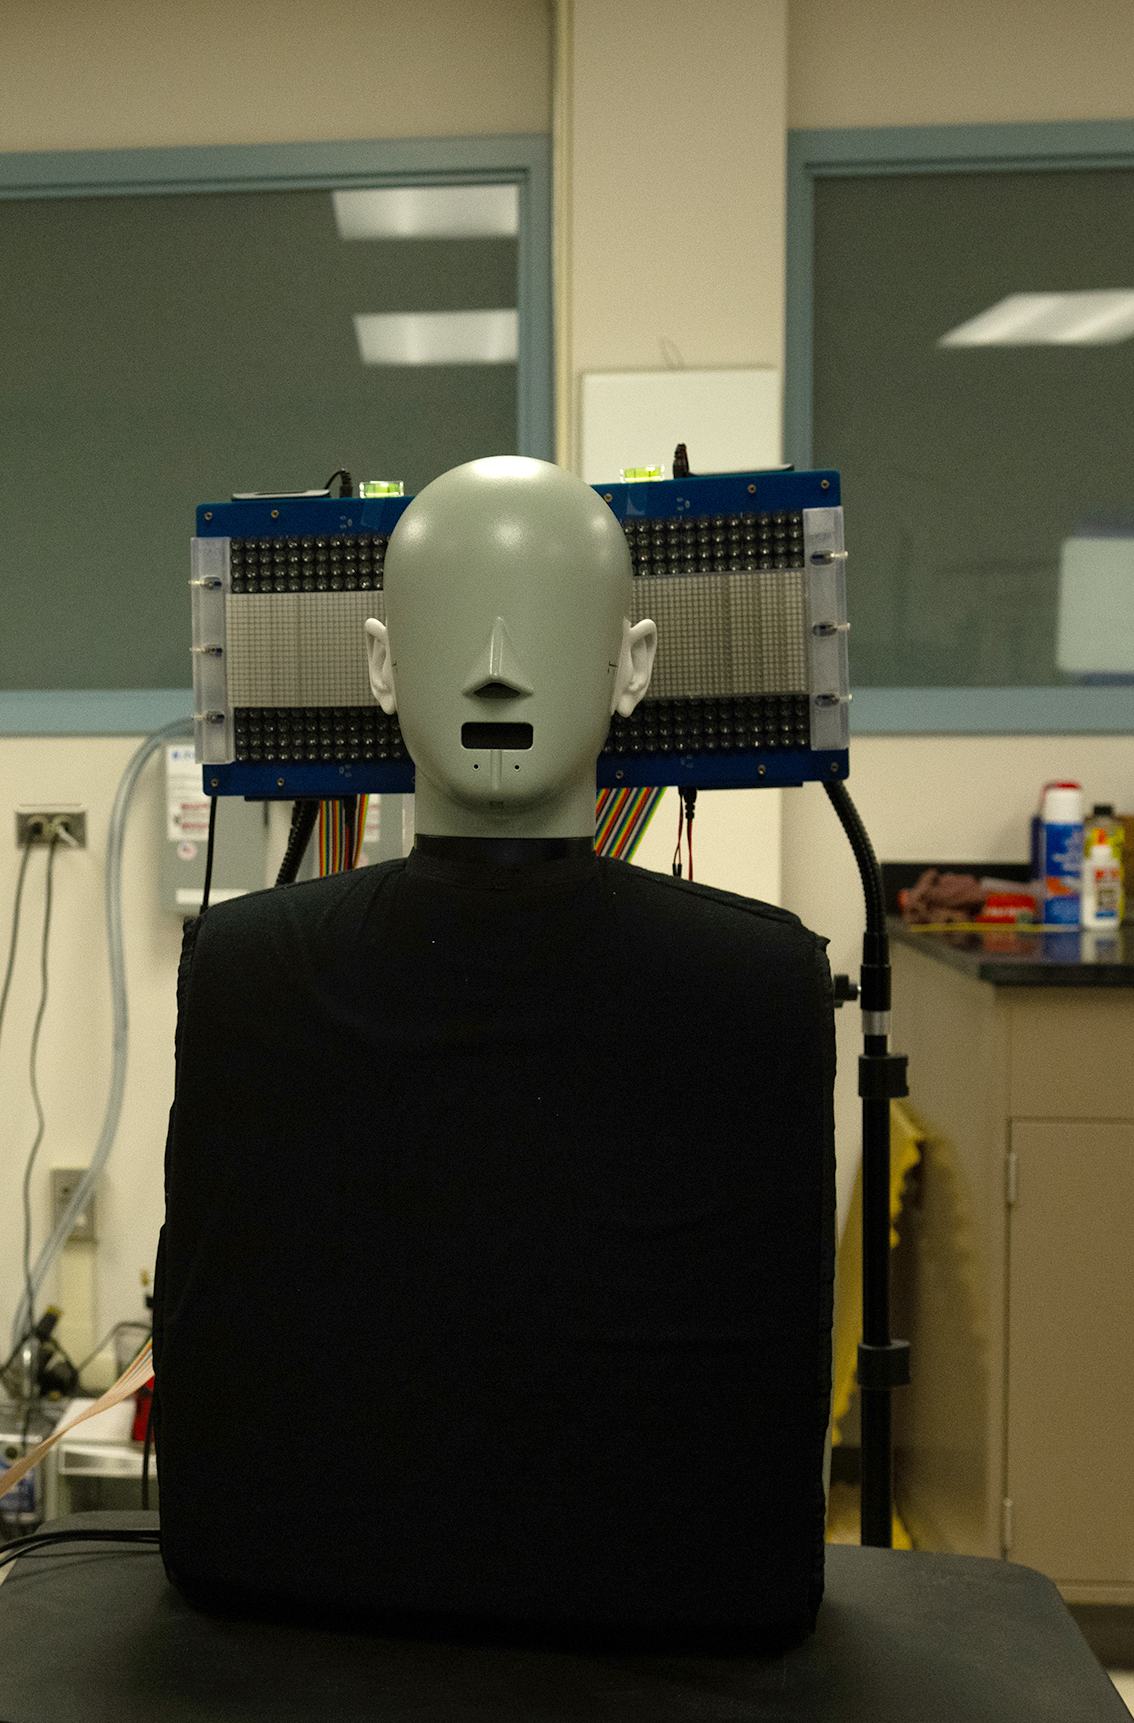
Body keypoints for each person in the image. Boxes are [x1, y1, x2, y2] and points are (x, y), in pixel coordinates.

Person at [159, 458, 835, 1644]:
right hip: (678, 1599)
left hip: (289, 1578)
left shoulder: (242, 964)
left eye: (546, 629)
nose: (496, 665)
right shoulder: (763, 977)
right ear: (381, 665)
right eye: (458, 629)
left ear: (634, 669)